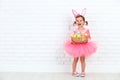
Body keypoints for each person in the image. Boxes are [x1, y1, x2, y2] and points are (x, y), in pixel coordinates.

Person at [64, 9, 97, 77]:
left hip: (84, 46)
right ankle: (74, 71)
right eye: (77, 21)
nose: (79, 22)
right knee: (75, 59)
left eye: (80, 20)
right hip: (76, 46)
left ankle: (83, 72)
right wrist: (73, 40)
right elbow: (73, 38)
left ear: (84, 22)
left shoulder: (86, 30)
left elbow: (88, 38)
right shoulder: (75, 30)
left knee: (82, 59)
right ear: (75, 22)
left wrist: (85, 38)